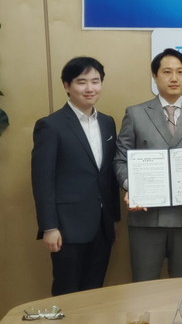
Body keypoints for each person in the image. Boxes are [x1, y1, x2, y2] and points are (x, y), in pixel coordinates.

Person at [114, 48, 182, 281]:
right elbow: (121, 159)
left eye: (180, 72)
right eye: (167, 72)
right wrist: (132, 186)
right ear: (155, 76)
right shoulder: (135, 113)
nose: (174, 78)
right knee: (144, 286)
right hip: (146, 217)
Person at [31, 56, 120, 296]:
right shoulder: (51, 125)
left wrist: (113, 219)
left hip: (102, 226)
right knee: (67, 292)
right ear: (67, 85)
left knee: (95, 291)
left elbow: (107, 174)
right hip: (67, 228)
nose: (90, 88)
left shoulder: (107, 123)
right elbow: (42, 181)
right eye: (82, 82)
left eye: (95, 81)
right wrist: (49, 227)